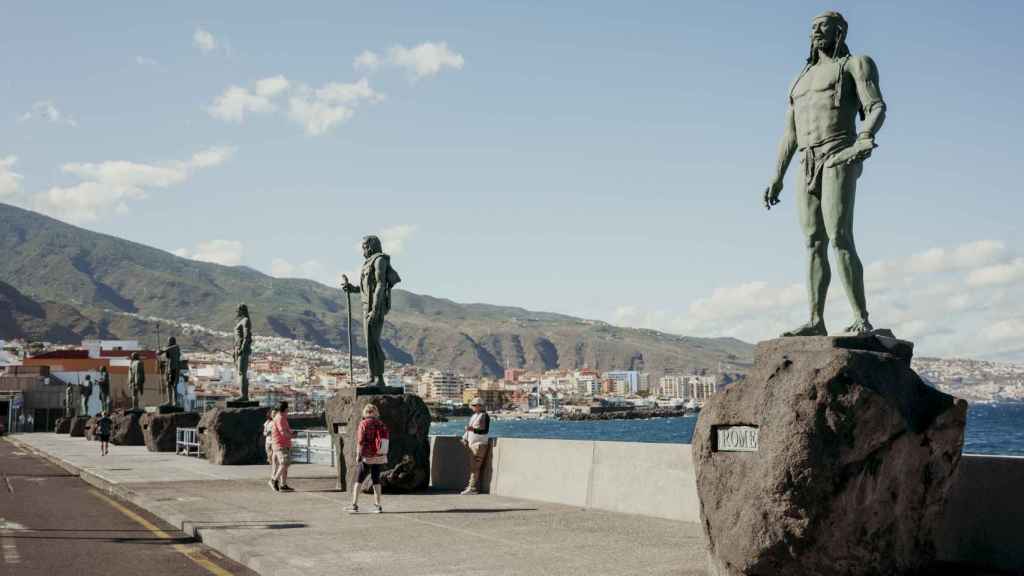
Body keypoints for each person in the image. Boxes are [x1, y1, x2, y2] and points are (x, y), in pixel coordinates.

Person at [762, 11, 886, 336]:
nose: (816, 31)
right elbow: (790, 132)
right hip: (806, 161)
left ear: (840, 31)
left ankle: (862, 318)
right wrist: (778, 175)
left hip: (838, 153)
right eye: (813, 27)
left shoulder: (855, 64)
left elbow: (876, 107)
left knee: (840, 236)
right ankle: (816, 320)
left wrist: (863, 139)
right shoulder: (799, 79)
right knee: (813, 241)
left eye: (823, 26)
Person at [340, 236, 401, 387]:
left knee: (373, 342)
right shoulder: (367, 263)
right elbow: (366, 288)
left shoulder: (379, 260)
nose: (363, 252)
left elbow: (380, 284)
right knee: (369, 343)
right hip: (366, 306)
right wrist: (352, 288)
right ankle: (373, 377)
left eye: (364, 248)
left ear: (371, 246)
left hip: (375, 307)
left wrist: (375, 309)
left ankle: (379, 379)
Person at [346, 404, 389, 514]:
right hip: (379, 456)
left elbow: (360, 441)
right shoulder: (381, 424)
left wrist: (358, 454)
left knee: (358, 480)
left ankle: (354, 505)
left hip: (367, 456)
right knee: (376, 480)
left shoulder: (364, 423)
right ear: (376, 412)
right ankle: (378, 506)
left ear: (365, 412)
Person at [461, 397, 491, 495]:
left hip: (479, 444)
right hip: (472, 444)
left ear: (480, 406)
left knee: (475, 467)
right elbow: (469, 430)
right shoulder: (474, 416)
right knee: (473, 467)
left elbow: (484, 431)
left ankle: (472, 487)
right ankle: (471, 486)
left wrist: (472, 430)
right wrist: (465, 438)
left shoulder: (484, 416)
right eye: (472, 405)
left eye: (474, 405)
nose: (472, 407)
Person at [270, 402, 296, 492]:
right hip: (281, 445)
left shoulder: (281, 417)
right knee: (285, 463)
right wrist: (292, 436)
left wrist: (291, 434)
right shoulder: (280, 418)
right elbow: (283, 432)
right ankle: (274, 480)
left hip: (282, 444)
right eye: (288, 408)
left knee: (284, 465)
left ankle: (283, 485)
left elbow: (284, 431)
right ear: (285, 409)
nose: (288, 410)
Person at [264, 408, 278, 487]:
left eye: (275, 413)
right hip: (268, 442)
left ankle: (274, 476)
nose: (273, 415)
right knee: (270, 459)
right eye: (272, 413)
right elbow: (264, 433)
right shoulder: (267, 423)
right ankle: (274, 474)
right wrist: (267, 433)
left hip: (274, 443)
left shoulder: (276, 422)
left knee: (274, 460)